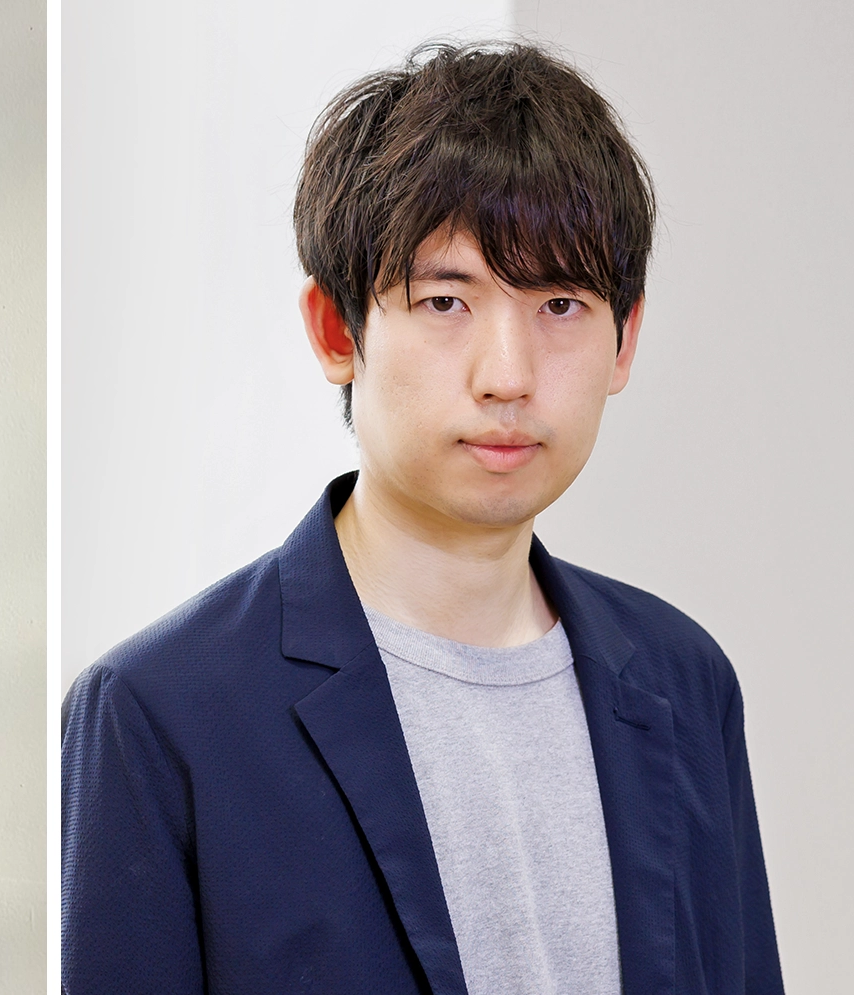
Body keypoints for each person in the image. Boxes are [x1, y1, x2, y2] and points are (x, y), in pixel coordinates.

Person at [62, 41, 781, 994]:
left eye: (561, 303)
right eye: (447, 299)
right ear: (335, 330)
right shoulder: (160, 712)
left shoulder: (685, 682)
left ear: (625, 339)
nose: (509, 375)